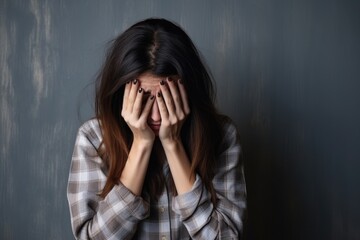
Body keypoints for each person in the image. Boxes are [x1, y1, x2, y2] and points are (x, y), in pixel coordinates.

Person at [67, 18, 246, 239]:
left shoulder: (222, 136)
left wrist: (173, 144)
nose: (154, 115)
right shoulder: (93, 139)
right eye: (143, 99)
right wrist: (141, 145)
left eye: (165, 99)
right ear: (122, 94)